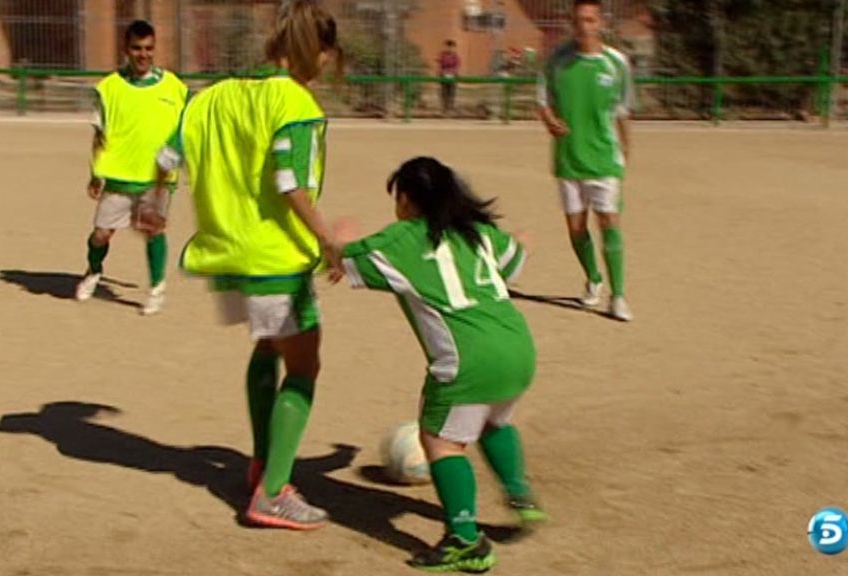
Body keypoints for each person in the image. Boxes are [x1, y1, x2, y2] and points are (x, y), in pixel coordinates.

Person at [154, 0, 343, 530]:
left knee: (267, 347)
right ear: (317, 50)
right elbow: (291, 184)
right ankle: (274, 492)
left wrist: (154, 207)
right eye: (328, 53)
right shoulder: (297, 105)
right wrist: (329, 239)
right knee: (305, 367)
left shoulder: (213, 97)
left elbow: (167, 157)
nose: (327, 64)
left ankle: (263, 463)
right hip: (274, 258)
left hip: (227, 257)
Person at [338, 157, 546, 572]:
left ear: (408, 200)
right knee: (492, 422)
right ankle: (521, 496)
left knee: (441, 441)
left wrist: (340, 239)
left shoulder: (400, 240)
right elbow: (514, 257)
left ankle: (466, 540)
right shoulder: (478, 234)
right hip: (519, 349)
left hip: (468, 360)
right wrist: (520, 241)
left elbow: (343, 260)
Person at [75, 20, 188, 316]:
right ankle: (93, 270)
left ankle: (156, 289)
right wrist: (95, 172)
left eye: (149, 48)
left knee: (154, 230)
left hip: (156, 176)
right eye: (137, 48)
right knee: (101, 234)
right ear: (126, 49)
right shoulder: (109, 88)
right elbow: (99, 135)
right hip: (118, 176)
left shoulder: (174, 87)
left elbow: (189, 127)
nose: (143, 54)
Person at [537, 0, 636, 321]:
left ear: (600, 23)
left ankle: (618, 296)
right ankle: (593, 278)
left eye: (591, 20)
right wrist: (549, 120)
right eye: (579, 20)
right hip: (568, 157)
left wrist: (625, 151)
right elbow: (542, 101)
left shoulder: (616, 63)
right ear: (571, 22)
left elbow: (623, 111)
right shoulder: (557, 61)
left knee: (609, 222)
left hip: (604, 158)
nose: (585, 26)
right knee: (577, 227)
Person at [437, 39, 461, 116]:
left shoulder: (455, 56)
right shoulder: (442, 55)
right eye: (448, 46)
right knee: (444, 92)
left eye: (451, 47)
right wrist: (441, 72)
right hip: (443, 76)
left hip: (452, 76)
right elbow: (439, 65)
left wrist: (453, 72)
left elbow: (457, 66)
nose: (449, 48)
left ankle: (450, 108)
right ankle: (444, 109)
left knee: (451, 92)